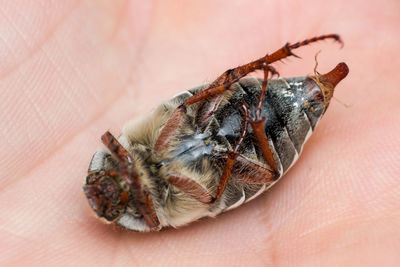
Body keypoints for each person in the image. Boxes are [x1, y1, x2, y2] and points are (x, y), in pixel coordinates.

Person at [1, 1, 399, 266]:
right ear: (123, 208)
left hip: (221, 110)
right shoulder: (147, 212)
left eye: (106, 179)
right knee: (255, 175)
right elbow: (206, 200)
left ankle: (275, 60)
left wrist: (130, 160)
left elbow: (166, 114)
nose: (113, 184)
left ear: (106, 169)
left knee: (203, 97)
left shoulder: (123, 150)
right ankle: (263, 123)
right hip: (260, 146)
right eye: (113, 194)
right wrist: (250, 137)